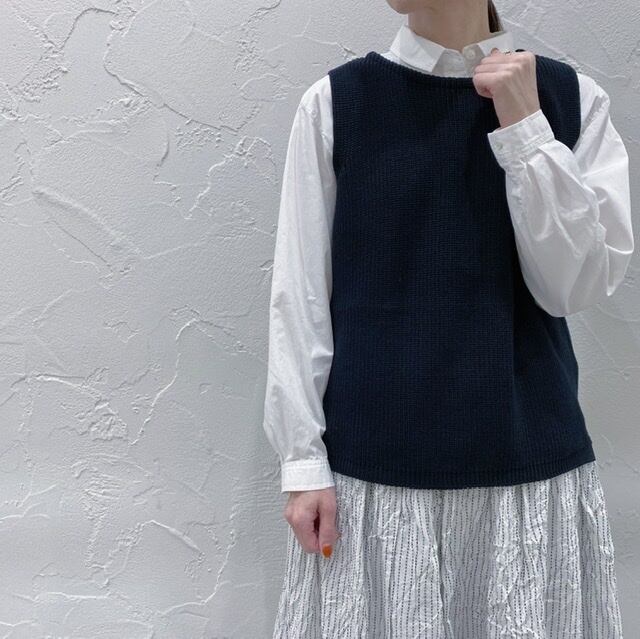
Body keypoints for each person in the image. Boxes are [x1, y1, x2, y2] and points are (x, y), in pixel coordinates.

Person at [263, 1, 633, 636]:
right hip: (373, 482)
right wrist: (301, 463)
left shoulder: (572, 101)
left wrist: (526, 126)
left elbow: (573, 286)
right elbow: (299, 296)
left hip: (527, 474)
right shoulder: (337, 103)